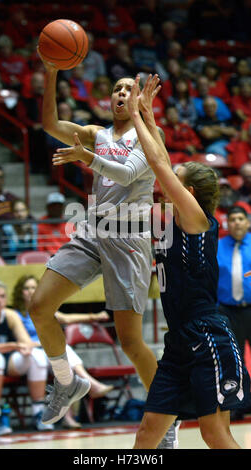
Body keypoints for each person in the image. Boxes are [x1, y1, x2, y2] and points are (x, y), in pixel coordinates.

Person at [28, 49, 165, 444]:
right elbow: (50, 122)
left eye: (128, 89)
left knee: (131, 342)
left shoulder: (150, 137)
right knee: (39, 306)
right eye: (116, 89)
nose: (121, 94)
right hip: (92, 231)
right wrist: (52, 72)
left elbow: (126, 173)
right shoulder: (97, 133)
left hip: (130, 240)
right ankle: (67, 382)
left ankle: (166, 416)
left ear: (141, 100)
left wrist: (87, 158)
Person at [127, 73, 250, 449]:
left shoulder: (197, 220)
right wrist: (149, 116)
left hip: (208, 335)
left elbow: (159, 165)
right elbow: (163, 161)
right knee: (150, 430)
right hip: (179, 340)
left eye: (177, 183)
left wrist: (135, 115)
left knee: (214, 434)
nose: (166, 186)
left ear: (190, 193)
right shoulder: (174, 222)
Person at [12, 275, 114, 429]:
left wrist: (95, 316)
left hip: (47, 353)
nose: (30, 291)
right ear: (20, 292)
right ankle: (92, 385)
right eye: (26, 288)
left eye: (33, 287)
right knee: (60, 355)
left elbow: (66, 319)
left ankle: (69, 415)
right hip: (30, 354)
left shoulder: (42, 309)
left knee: (64, 366)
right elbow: (24, 341)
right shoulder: (16, 314)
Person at [0, 278, 54, 436]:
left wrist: (24, 347)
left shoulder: (10, 315)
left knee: (36, 356)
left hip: (9, 363)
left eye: (2, 296)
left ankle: (39, 413)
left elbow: (25, 341)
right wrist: (11, 345)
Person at [217, 206, 251, 365]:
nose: (237, 223)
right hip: (228, 312)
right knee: (235, 360)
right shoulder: (217, 247)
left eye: (240, 219)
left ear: (248, 222)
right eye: (232, 220)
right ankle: (243, 389)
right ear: (227, 224)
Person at [0, 165, 18, 234]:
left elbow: (28, 217)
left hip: (14, 238)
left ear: (3, 179)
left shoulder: (12, 198)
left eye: (0, 177)